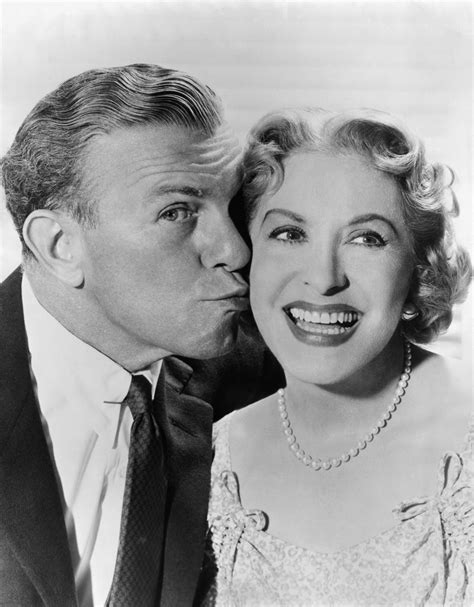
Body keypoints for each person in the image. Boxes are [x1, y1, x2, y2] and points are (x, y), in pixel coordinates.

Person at [0, 64, 282, 607]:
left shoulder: (269, 378)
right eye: (177, 212)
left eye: (234, 207)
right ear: (60, 245)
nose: (237, 251)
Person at [202, 108, 473, 605]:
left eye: (366, 238)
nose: (324, 278)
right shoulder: (210, 456)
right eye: (289, 234)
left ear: (417, 269)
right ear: (247, 255)